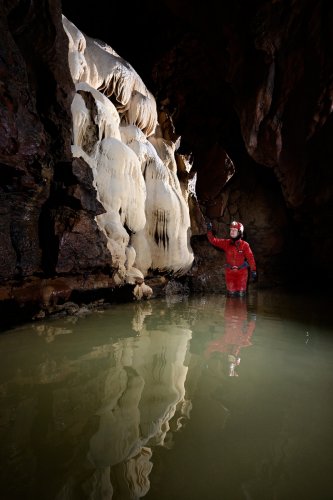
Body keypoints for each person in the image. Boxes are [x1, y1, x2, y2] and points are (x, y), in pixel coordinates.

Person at [206, 219, 257, 297]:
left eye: (235, 230)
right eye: (231, 230)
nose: (232, 232)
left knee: (241, 297)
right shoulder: (226, 243)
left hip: (242, 274)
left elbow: (250, 258)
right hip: (230, 273)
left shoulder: (245, 245)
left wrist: (253, 270)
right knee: (231, 296)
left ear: (240, 232)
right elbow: (213, 240)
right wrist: (209, 230)